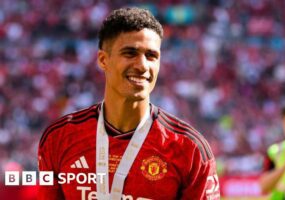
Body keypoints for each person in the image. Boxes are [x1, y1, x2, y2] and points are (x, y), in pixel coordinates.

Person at [38, 7, 220, 200]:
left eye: (151, 56)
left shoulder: (190, 150)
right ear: (103, 59)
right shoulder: (59, 138)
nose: (142, 65)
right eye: (130, 53)